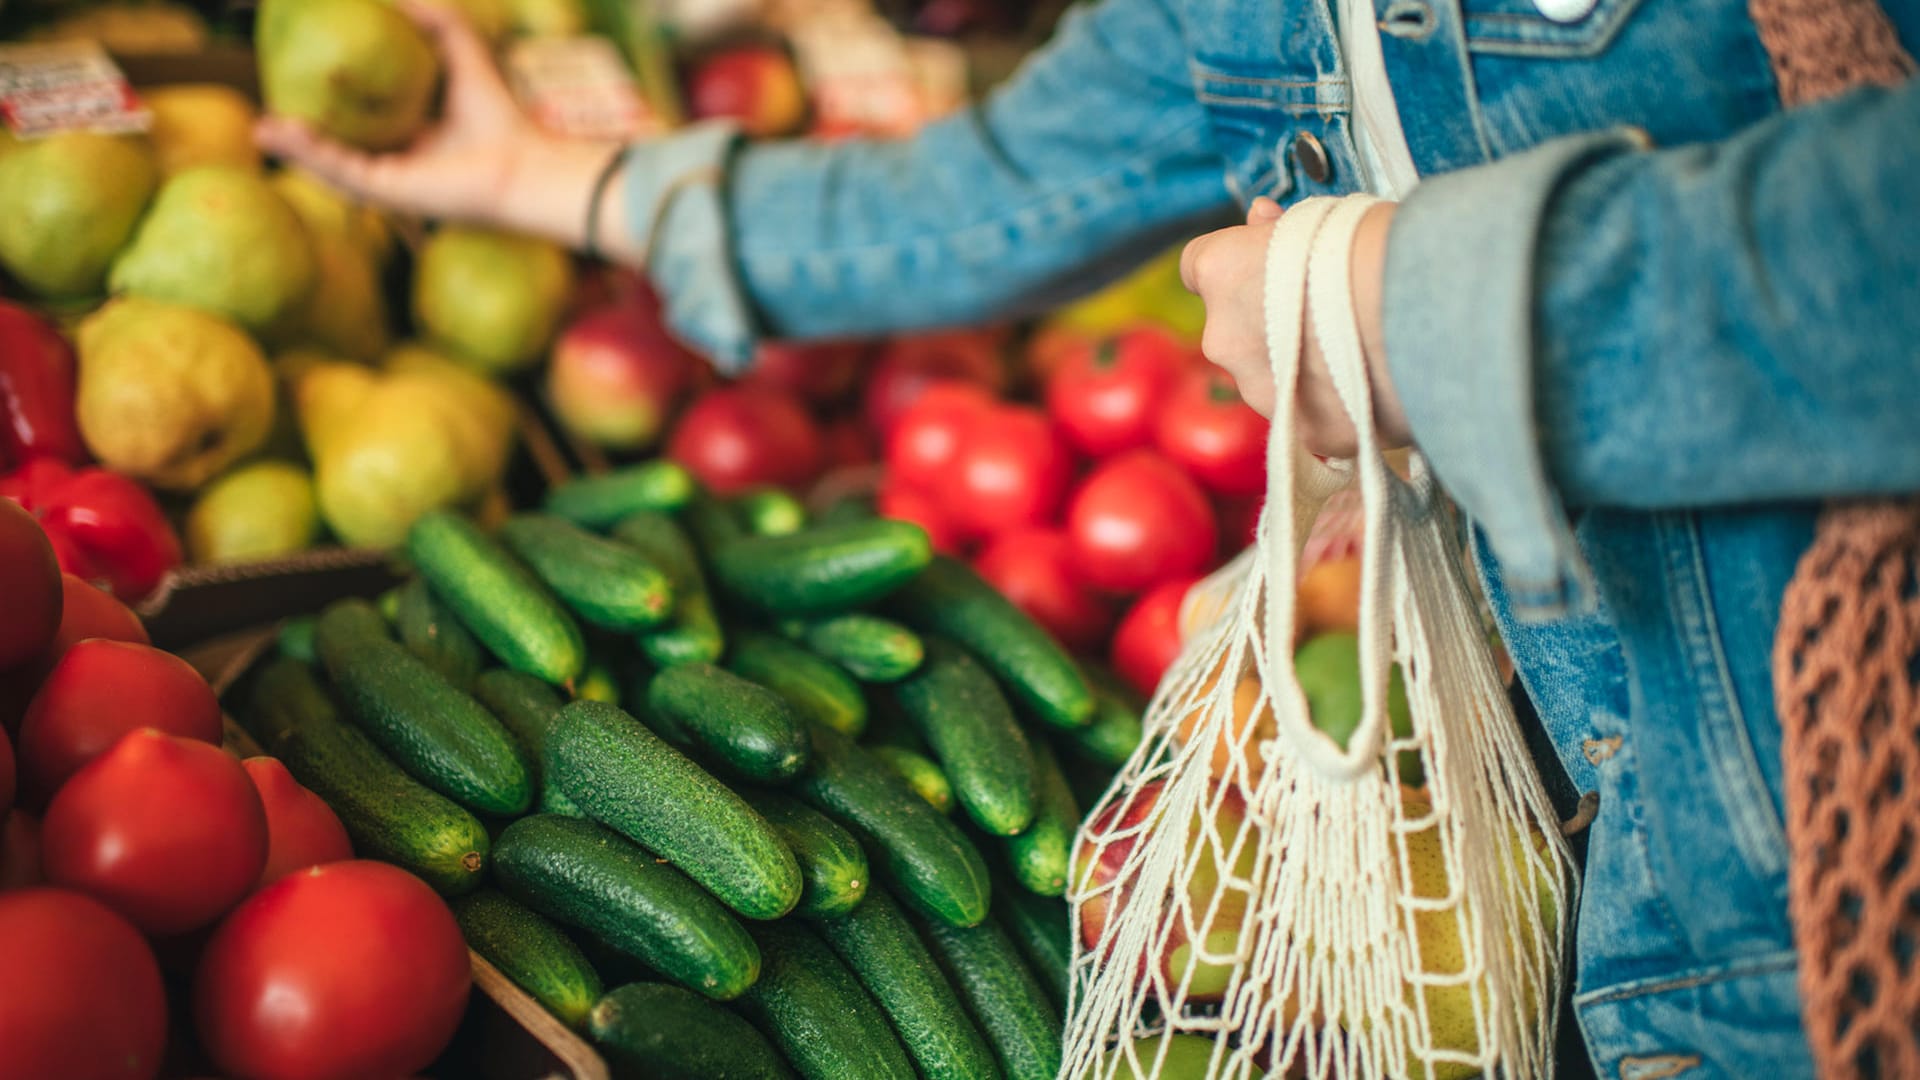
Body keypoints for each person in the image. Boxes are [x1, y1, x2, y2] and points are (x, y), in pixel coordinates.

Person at [260, 1, 1920, 1074]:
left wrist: (1418, 310)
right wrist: (555, 181)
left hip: (1852, 897)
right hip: (1635, 929)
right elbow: (981, 194)